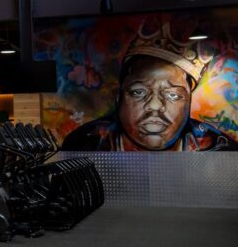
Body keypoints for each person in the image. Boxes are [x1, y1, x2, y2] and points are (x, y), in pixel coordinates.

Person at [62, 23, 232, 151]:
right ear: (119, 98)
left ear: (188, 103)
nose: (155, 106)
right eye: (139, 92)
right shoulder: (87, 142)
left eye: (172, 95)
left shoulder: (215, 146)